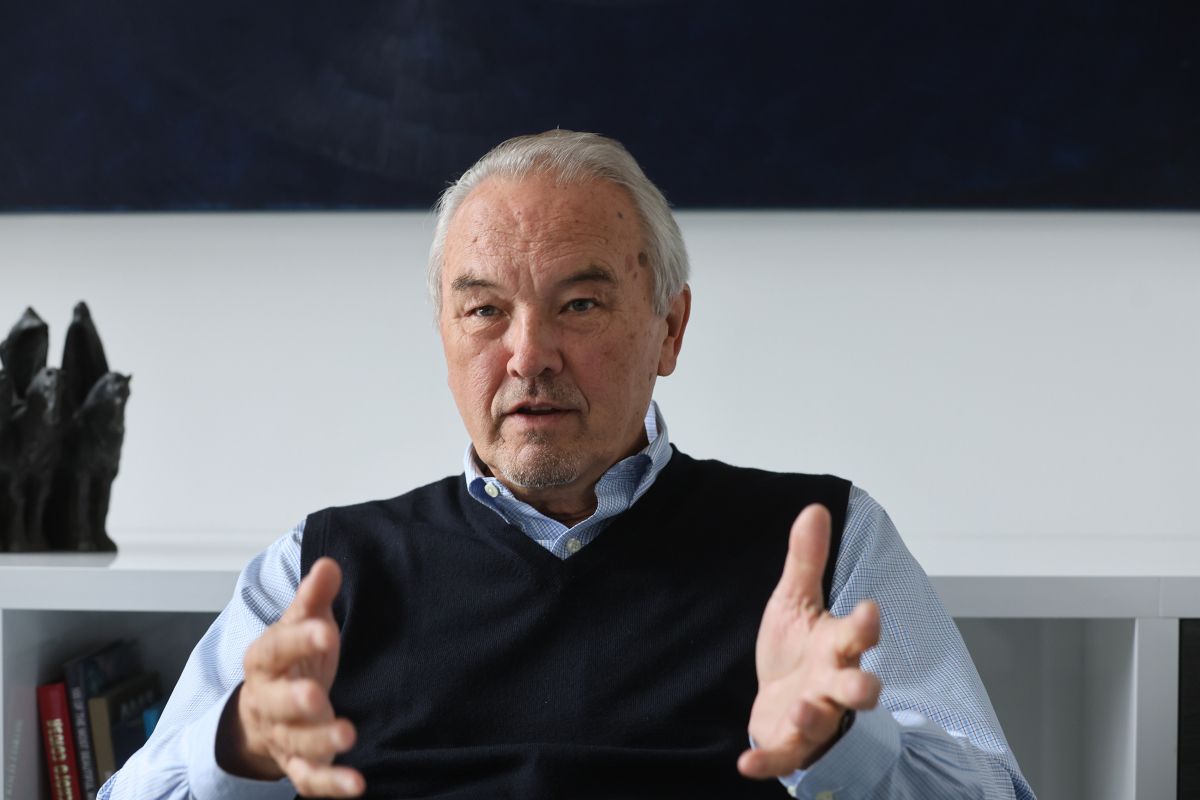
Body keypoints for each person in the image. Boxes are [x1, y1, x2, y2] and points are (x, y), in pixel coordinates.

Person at [101, 130, 1034, 799]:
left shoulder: (821, 545)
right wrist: (241, 748)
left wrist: (840, 744)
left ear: (670, 328)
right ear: (443, 334)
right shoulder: (322, 573)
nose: (528, 355)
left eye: (580, 306)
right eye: (484, 311)